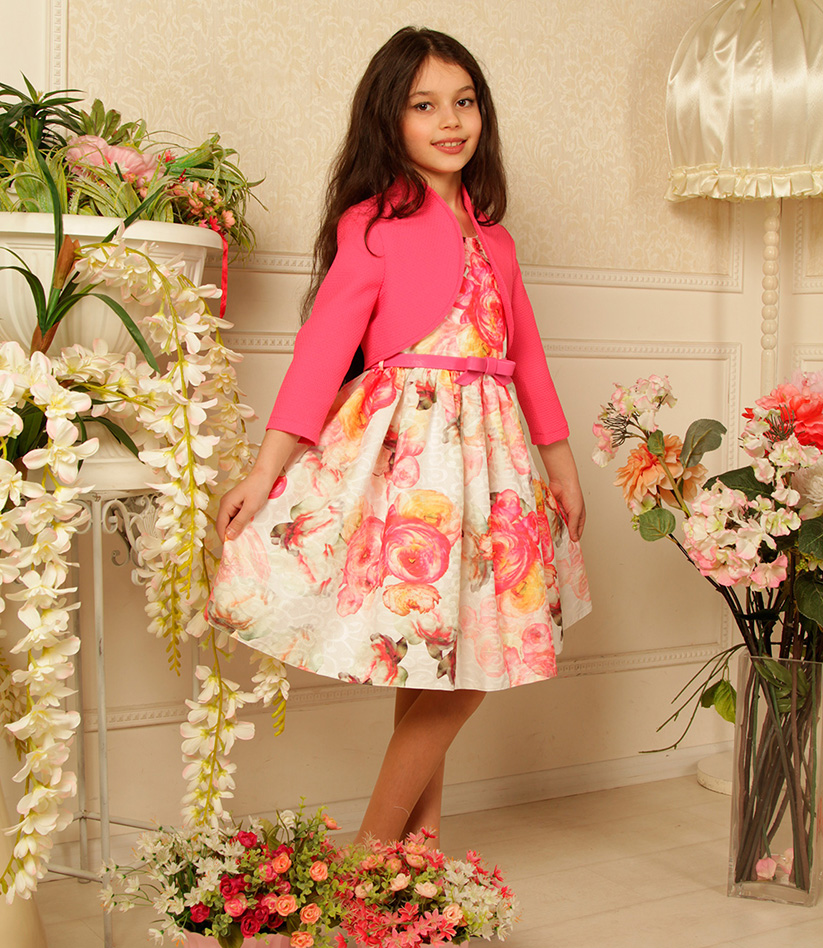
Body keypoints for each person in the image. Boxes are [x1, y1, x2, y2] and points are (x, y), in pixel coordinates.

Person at [208, 26, 591, 846]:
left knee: (448, 656)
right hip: (414, 462)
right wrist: (263, 472)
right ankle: (373, 854)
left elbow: (526, 358)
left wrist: (560, 466)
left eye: (464, 102)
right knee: (438, 649)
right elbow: (319, 355)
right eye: (424, 106)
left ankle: (416, 857)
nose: (449, 121)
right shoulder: (374, 225)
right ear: (390, 119)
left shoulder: (497, 238)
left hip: (493, 463)